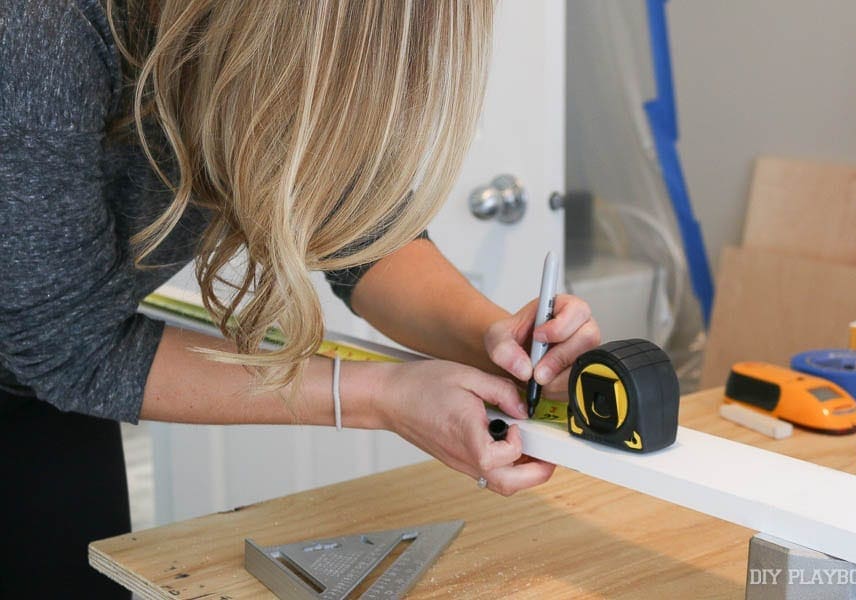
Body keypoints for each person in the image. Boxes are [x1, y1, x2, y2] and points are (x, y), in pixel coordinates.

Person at [0, 1, 601, 597]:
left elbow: (359, 232)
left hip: (41, 390)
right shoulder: (36, 32)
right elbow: (71, 345)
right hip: (51, 359)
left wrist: (496, 340)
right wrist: (381, 397)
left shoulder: (280, 34)